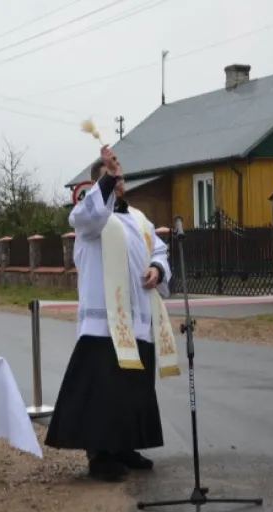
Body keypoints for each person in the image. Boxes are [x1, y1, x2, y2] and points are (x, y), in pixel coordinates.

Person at [44, 145, 180, 482]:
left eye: (120, 180)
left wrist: (157, 270)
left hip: (138, 320)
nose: (120, 184)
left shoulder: (140, 219)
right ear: (98, 184)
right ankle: (100, 454)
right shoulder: (88, 218)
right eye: (112, 180)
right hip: (104, 324)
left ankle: (125, 446)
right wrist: (105, 179)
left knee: (133, 388)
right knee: (103, 390)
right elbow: (90, 215)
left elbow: (159, 250)